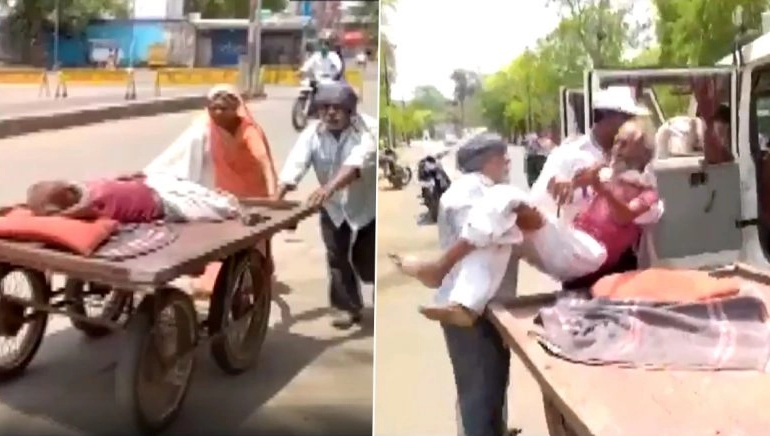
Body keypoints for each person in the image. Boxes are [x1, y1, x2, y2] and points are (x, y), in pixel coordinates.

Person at [393, 120, 662, 327]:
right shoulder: (603, 172)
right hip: (570, 240)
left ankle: (441, 267)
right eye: (616, 141)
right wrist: (564, 183)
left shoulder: (649, 195)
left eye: (625, 144)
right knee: (505, 225)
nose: (616, 148)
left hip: (591, 254)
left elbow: (627, 214)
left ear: (643, 152)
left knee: (507, 196)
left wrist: (600, 187)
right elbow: (571, 182)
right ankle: (465, 304)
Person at [390, 133, 520, 436]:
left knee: (490, 382)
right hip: (473, 310)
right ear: (489, 161)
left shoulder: (473, 190)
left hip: (484, 305)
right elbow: (479, 239)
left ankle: (493, 429)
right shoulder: (471, 195)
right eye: (504, 158)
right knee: (479, 387)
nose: (508, 163)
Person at [144, 84, 278, 296]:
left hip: (255, 188)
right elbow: (180, 151)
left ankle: (259, 272)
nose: (218, 113)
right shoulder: (205, 126)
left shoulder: (248, 130)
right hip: (229, 188)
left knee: (258, 236)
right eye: (213, 108)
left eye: (224, 109)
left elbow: (264, 162)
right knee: (231, 234)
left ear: (236, 109)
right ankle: (237, 275)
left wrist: (273, 195)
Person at [274, 82, 376, 329]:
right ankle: (347, 308)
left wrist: (328, 188)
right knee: (336, 257)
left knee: (366, 263)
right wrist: (275, 201)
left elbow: (356, 164)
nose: (330, 113)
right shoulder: (312, 133)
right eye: (324, 107)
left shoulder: (369, 130)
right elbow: (295, 166)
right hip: (331, 207)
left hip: (366, 205)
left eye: (337, 108)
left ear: (350, 110)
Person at [533, 86, 655, 290]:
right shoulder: (568, 155)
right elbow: (539, 200)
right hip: (582, 260)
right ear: (607, 117)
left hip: (623, 264)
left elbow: (639, 209)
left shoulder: (640, 159)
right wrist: (561, 185)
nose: (631, 124)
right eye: (626, 117)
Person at [25, 174, 240, 223]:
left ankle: (222, 200)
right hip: (160, 200)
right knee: (210, 204)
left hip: (155, 191)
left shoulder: (90, 198)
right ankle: (224, 201)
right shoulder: (90, 198)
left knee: (201, 196)